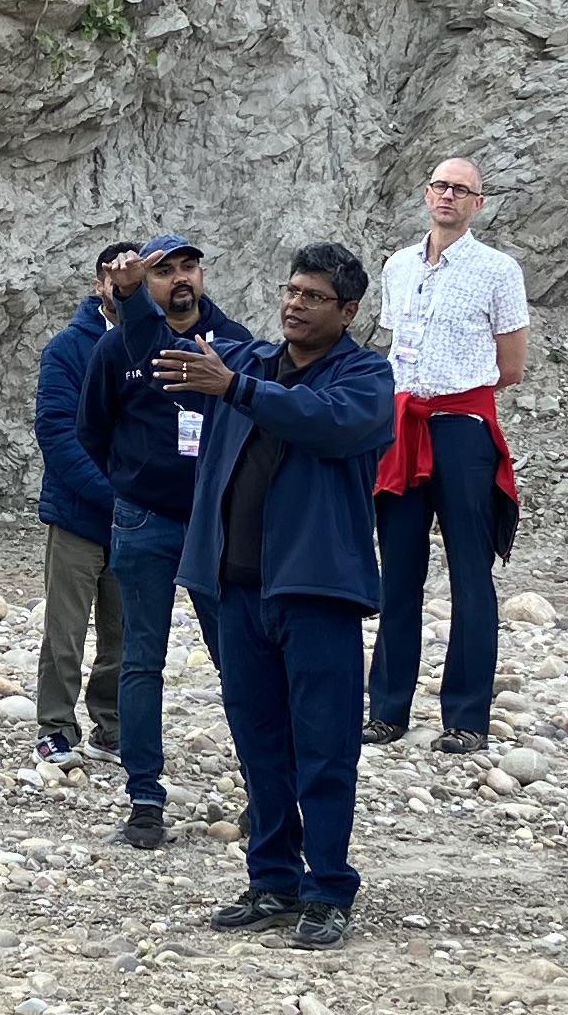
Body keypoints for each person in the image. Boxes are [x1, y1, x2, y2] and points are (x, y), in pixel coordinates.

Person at [174, 245, 397, 943]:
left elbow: (325, 422)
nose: (295, 304)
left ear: (349, 311)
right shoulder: (254, 364)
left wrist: (235, 389)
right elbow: (177, 327)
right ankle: (271, 880)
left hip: (316, 592)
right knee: (259, 741)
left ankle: (327, 888)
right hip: (238, 590)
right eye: (291, 290)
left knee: (325, 746)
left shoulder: (366, 375)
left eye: (314, 296)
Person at [75, 235, 258, 845]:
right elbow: (92, 429)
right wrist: (133, 481)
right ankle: (145, 799)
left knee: (239, 658)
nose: (180, 279)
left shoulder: (233, 343)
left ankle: (265, 793)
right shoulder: (115, 347)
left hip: (216, 525)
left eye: (189, 267)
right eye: (165, 271)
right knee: (141, 658)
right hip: (145, 519)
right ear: (144, 284)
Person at [368, 158, 529, 754]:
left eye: (462, 190)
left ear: (478, 203)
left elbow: (510, 366)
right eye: (440, 185)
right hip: (403, 427)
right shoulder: (398, 267)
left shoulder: (497, 270)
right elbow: (396, 347)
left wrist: (454, 395)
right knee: (399, 572)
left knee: (470, 573)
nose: (448, 196)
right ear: (426, 193)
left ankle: (466, 716)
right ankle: (387, 708)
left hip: (461, 428)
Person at [30, 242, 141, 765]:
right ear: (100, 282)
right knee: (65, 632)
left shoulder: (159, 343)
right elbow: (56, 432)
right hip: (79, 515)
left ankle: (110, 725)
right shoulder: (68, 348)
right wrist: (113, 493)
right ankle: (55, 726)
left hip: (136, 518)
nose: (125, 284)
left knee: (123, 632)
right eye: (116, 276)